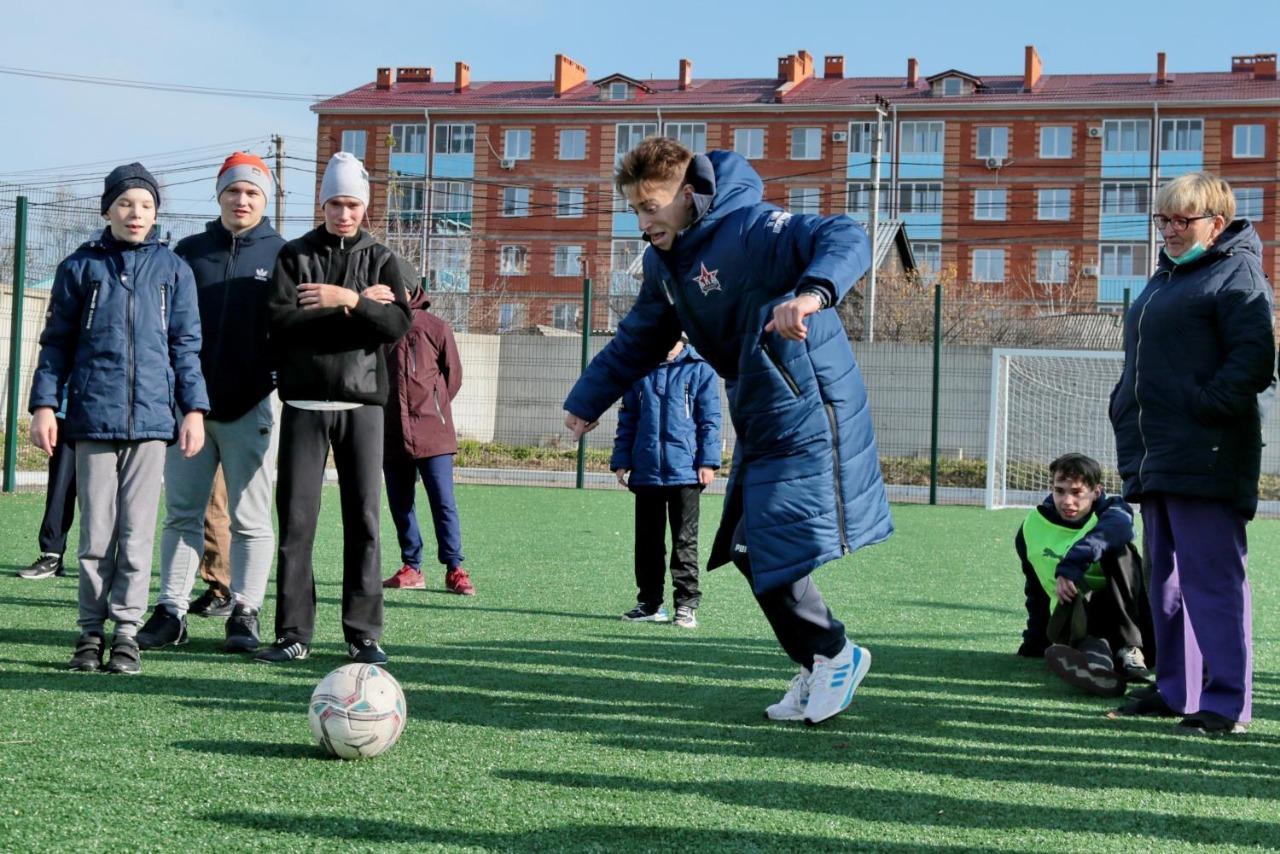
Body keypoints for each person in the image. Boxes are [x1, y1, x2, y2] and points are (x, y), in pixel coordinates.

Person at [563, 137, 892, 726]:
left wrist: (811, 294)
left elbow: (845, 234)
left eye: (651, 206)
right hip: (760, 411)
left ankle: (835, 654)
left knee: (764, 546)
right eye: (634, 208)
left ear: (689, 195)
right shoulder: (665, 265)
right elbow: (639, 338)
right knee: (745, 549)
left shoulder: (751, 228)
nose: (643, 221)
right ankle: (822, 657)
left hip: (811, 402)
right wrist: (588, 401)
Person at [1108, 172, 1275, 736]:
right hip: (1157, 453)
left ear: (1216, 223)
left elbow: (1253, 359)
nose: (1170, 229)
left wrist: (1203, 409)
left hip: (1206, 453)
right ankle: (1178, 690)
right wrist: (1123, 407)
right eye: (1163, 219)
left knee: (1212, 581)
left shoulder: (1237, 271)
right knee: (1166, 583)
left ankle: (1226, 705)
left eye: (1183, 219)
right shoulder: (1167, 275)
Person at [28, 162, 207, 674]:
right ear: (107, 209)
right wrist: (44, 405)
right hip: (91, 420)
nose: (136, 213)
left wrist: (193, 410)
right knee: (96, 536)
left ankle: (126, 632)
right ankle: (90, 632)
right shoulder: (79, 267)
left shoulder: (174, 270)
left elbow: (186, 347)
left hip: (151, 425)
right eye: (126, 203)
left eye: (146, 205)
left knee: (136, 534)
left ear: (156, 213)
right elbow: (55, 344)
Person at [257, 151, 411, 665]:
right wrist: (358, 308)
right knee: (296, 522)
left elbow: (395, 326)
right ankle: (293, 633)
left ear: (365, 207)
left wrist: (344, 299)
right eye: (335, 204)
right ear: (321, 205)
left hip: (362, 406)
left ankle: (363, 634)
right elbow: (280, 322)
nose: (344, 213)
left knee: (364, 520)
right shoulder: (293, 255)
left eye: (352, 204)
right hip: (304, 403)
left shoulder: (383, 258)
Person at [138, 152, 284, 655]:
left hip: (253, 406)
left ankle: (245, 612)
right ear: (219, 194)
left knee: (250, 519)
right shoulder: (189, 252)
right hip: (190, 411)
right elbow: (164, 326)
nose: (242, 200)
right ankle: (171, 612)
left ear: (264, 200)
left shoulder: (282, 254)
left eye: (252, 192)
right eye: (233, 190)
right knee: (182, 514)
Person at [1015, 453, 1152, 697]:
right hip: (1075, 615)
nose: (1067, 501)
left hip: (1127, 617)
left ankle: (1129, 649)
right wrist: (1035, 639)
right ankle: (1098, 668)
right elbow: (1035, 588)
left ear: (1096, 492)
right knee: (1091, 638)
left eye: (1077, 492)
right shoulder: (1032, 527)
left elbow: (1116, 531)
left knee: (1121, 551)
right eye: (1059, 491)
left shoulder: (1114, 512)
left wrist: (1070, 566)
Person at [611, 337, 720, 628]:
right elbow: (628, 418)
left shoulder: (700, 370)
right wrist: (622, 460)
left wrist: (708, 462)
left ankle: (686, 604)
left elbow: (710, 420)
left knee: (685, 540)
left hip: (686, 471)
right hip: (646, 470)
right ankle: (650, 604)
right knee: (647, 542)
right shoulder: (639, 368)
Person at [380, 287, 476, 596]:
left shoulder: (435, 327)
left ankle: (455, 568)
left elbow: (453, 377)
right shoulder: (379, 326)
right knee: (400, 504)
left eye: (400, 286)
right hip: (392, 434)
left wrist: (434, 407)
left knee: (443, 502)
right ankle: (412, 567)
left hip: (434, 434)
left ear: (412, 289)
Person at [18, 400, 75, 580]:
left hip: (109, 422)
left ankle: (110, 562)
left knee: (105, 496)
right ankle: (52, 556)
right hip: (69, 413)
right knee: (61, 488)